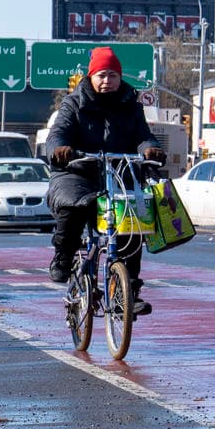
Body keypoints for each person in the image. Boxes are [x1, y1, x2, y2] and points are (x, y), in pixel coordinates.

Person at [43, 45, 165, 311]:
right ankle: (63, 258)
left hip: (118, 174)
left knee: (131, 223)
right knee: (76, 204)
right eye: (101, 75)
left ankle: (127, 291)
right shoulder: (74, 103)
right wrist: (60, 150)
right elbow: (57, 135)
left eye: (112, 75)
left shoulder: (131, 105)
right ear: (91, 77)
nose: (107, 80)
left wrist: (149, 149)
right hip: (76, 172)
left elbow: (143, 136)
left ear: (120, 78)